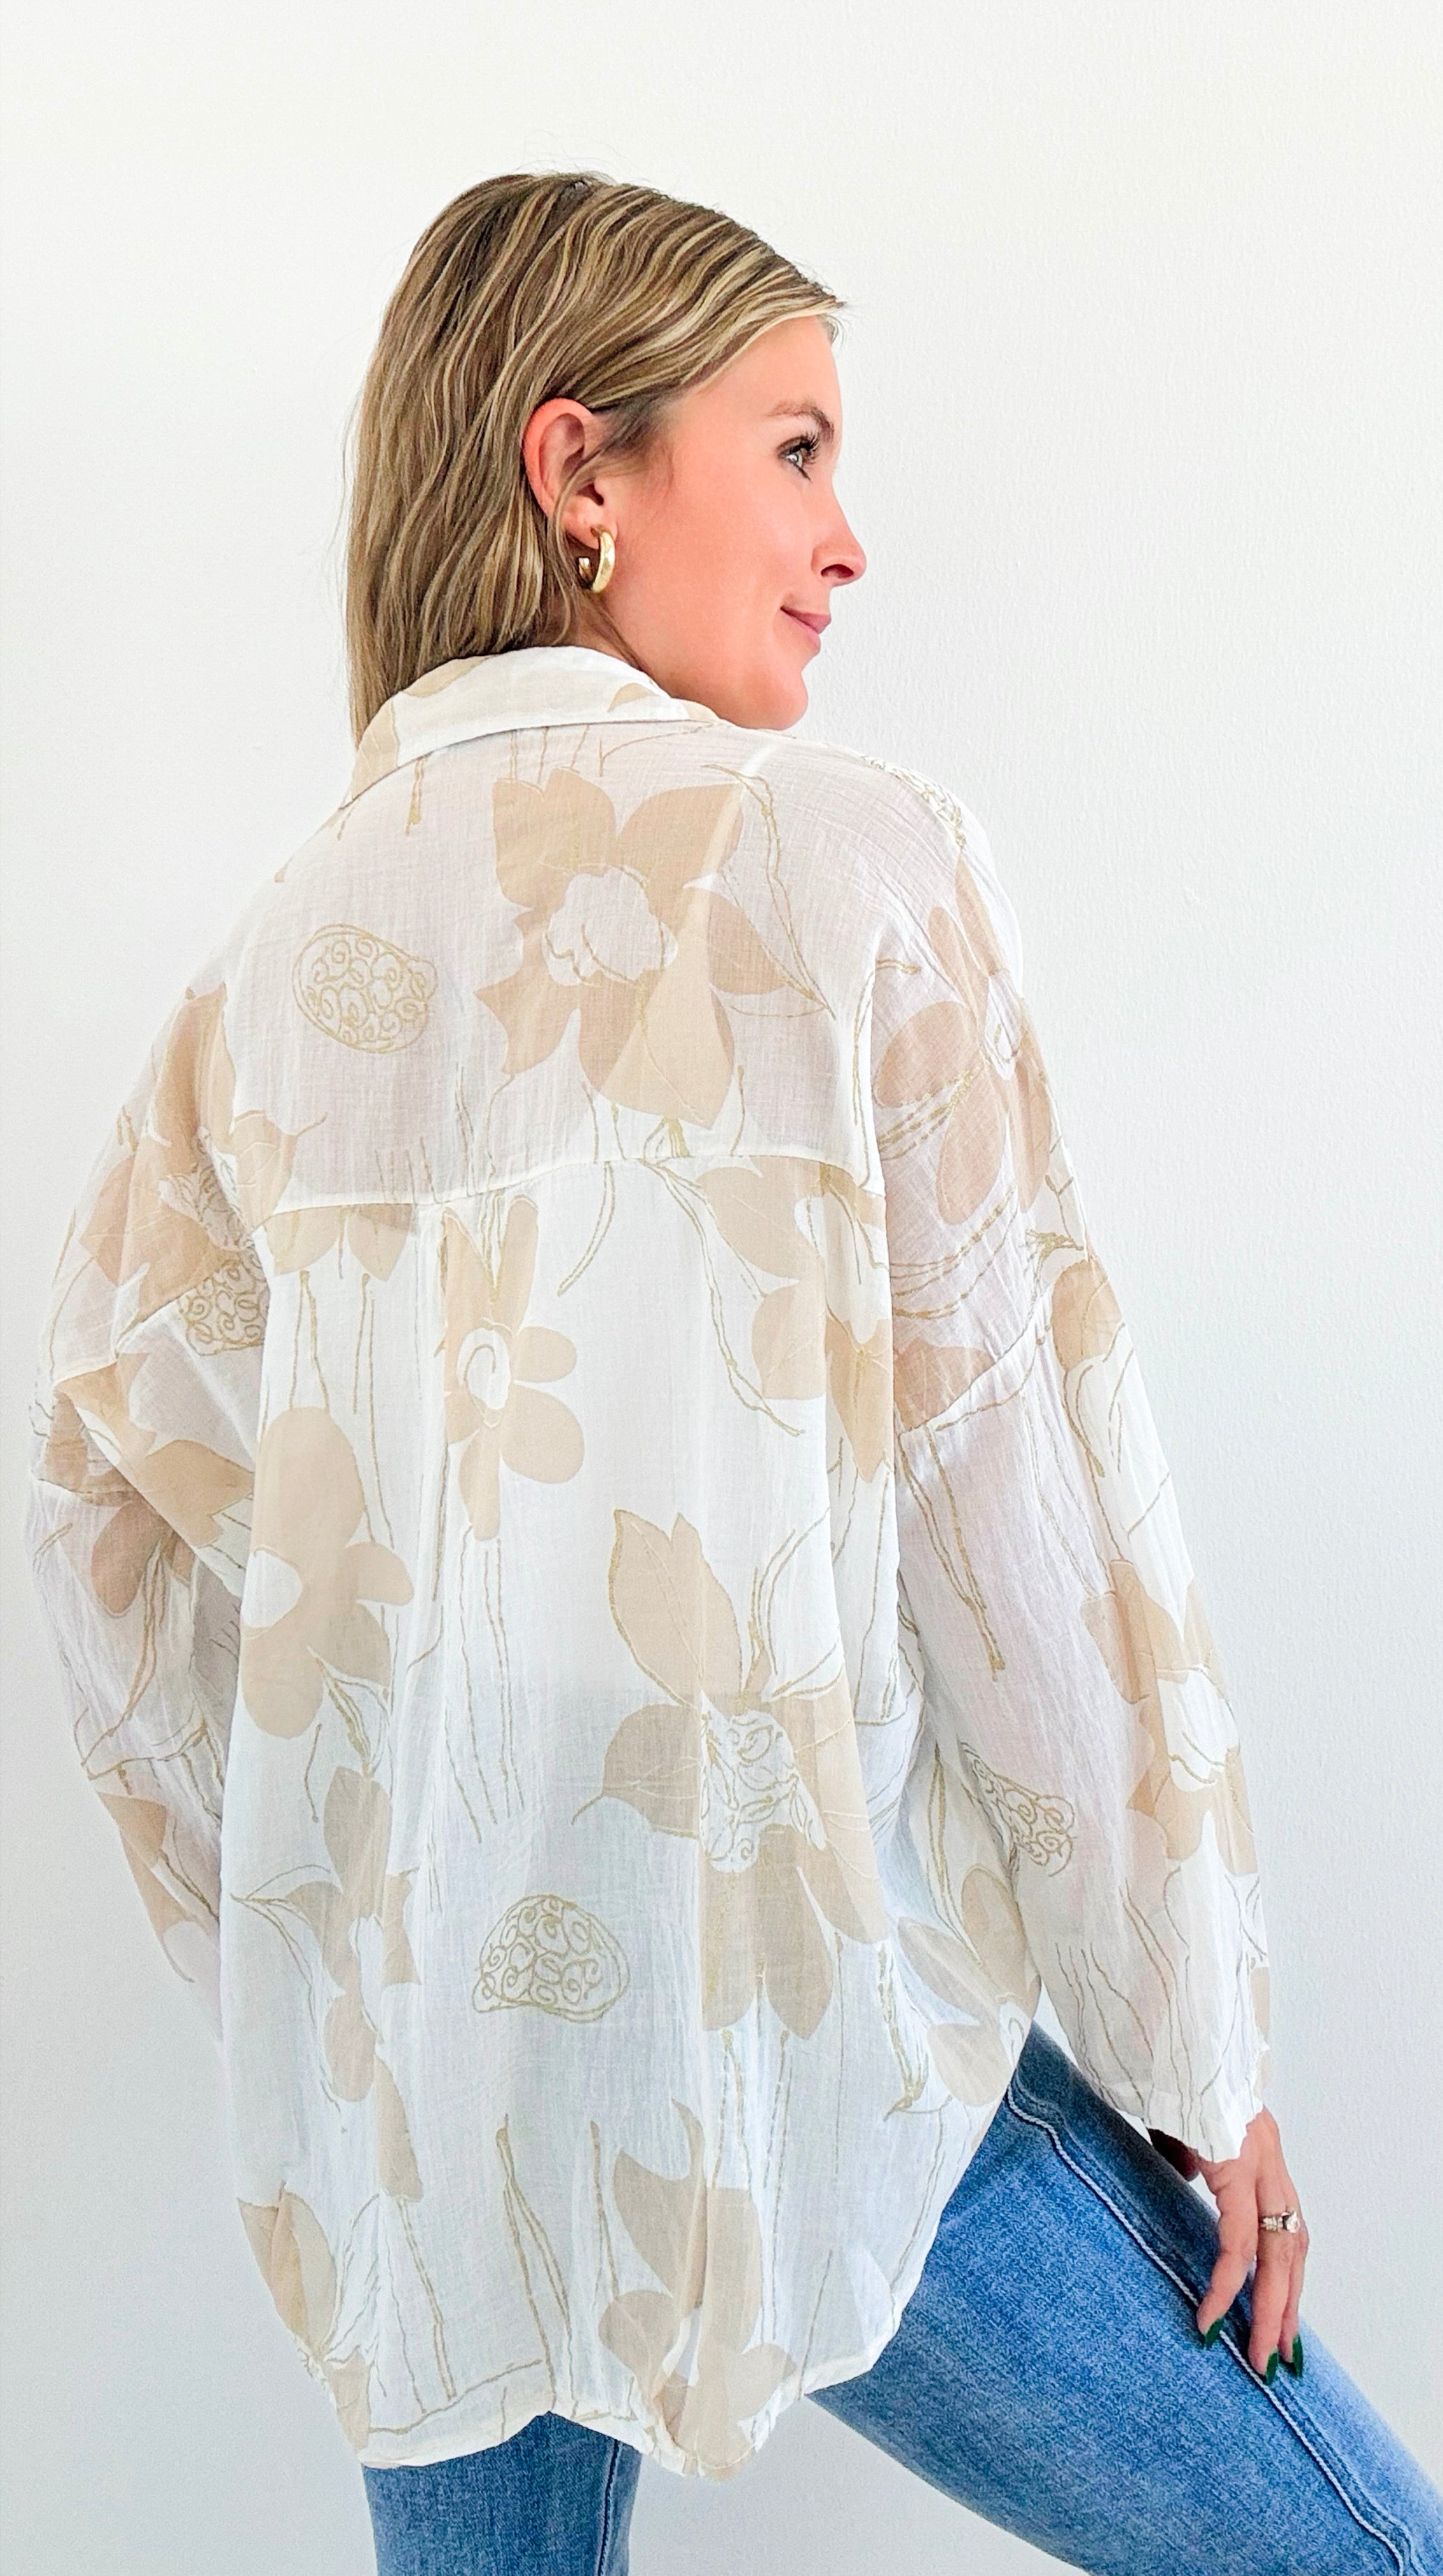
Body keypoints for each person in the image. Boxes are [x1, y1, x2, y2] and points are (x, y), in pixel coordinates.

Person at [25, 170, 1440, 2576]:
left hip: (436, 2094)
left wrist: (331, 1956)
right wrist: (1191, 2052)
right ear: (577, 469)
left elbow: (108, 1523)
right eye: (793, 448)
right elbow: (1022, 1517)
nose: (846, 537)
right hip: (810, 2025)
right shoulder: (849, 866)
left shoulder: (266, 970)